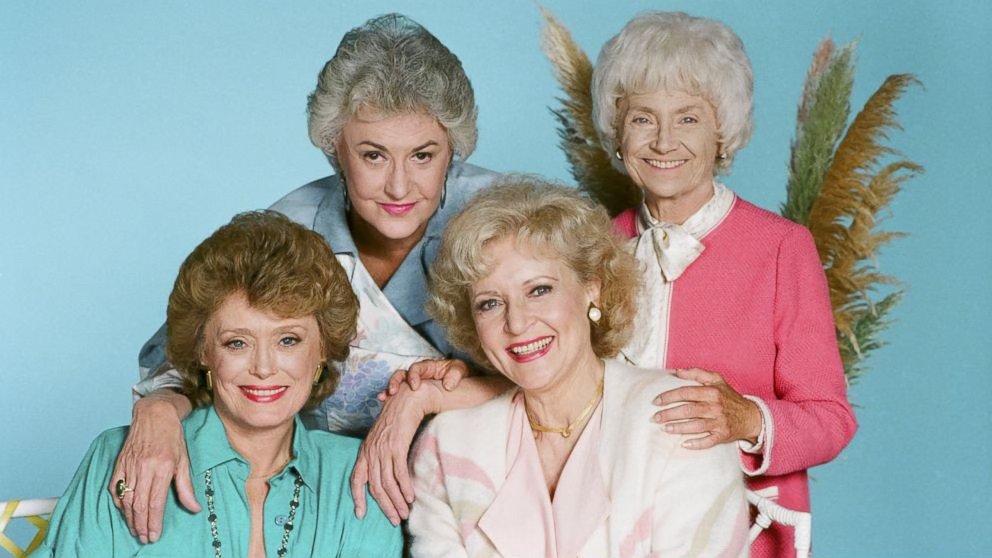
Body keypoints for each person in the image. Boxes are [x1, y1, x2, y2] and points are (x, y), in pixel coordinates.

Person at [113, 13, 506, 541]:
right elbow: (190, 356)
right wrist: (159, 409)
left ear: (452, 149)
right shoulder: (289, 231)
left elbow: (568, 375)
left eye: (422, 155)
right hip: (323, 507)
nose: (398, 186)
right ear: (334, 147)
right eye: (373, 155)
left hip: (482, 495)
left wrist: (423, 399)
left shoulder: (506, 221)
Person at [591, 11, 858, 557]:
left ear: (722, 133)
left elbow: (831, 419)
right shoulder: (592, 248)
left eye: (688, 118)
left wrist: (746, 418)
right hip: (604, 529)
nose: (664, 140)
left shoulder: (781, 248)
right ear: (618, 134)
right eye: (642, 118)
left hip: (735, 532)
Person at [406, 179, 748, 557]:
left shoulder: (680, 418)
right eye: (490, 303)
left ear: (592, 289)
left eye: (539, 290)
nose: (516, 322)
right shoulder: (449, 445)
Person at [35, 211, 402, 557]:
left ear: (322, 349)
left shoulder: (361, 474)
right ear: (203, 351)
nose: (263, 368)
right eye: (237, 343)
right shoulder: (125, 457)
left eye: (288, 340)